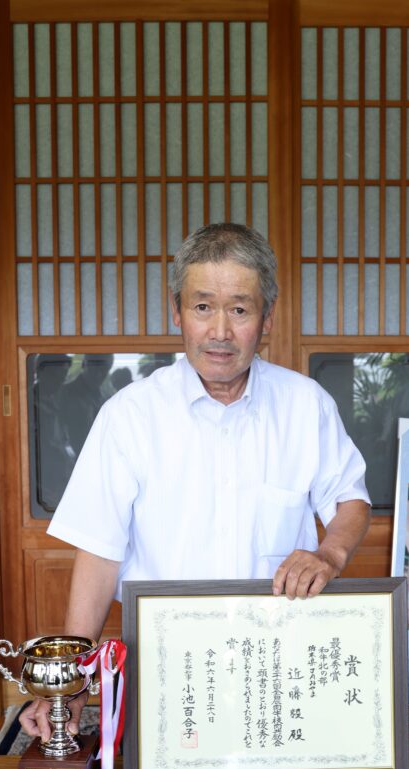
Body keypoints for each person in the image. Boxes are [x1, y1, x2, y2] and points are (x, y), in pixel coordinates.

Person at [20, 223, 371, 741]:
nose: (220, 331)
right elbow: (99, 552)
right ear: (177, 311)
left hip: (279, 659)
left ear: (267, 317)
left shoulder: (306, 404)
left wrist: (330, 554)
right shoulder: (130, 416)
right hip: (172, 666)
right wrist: (71, 683)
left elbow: (350, 500)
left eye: (240, 309)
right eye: (203, 307)